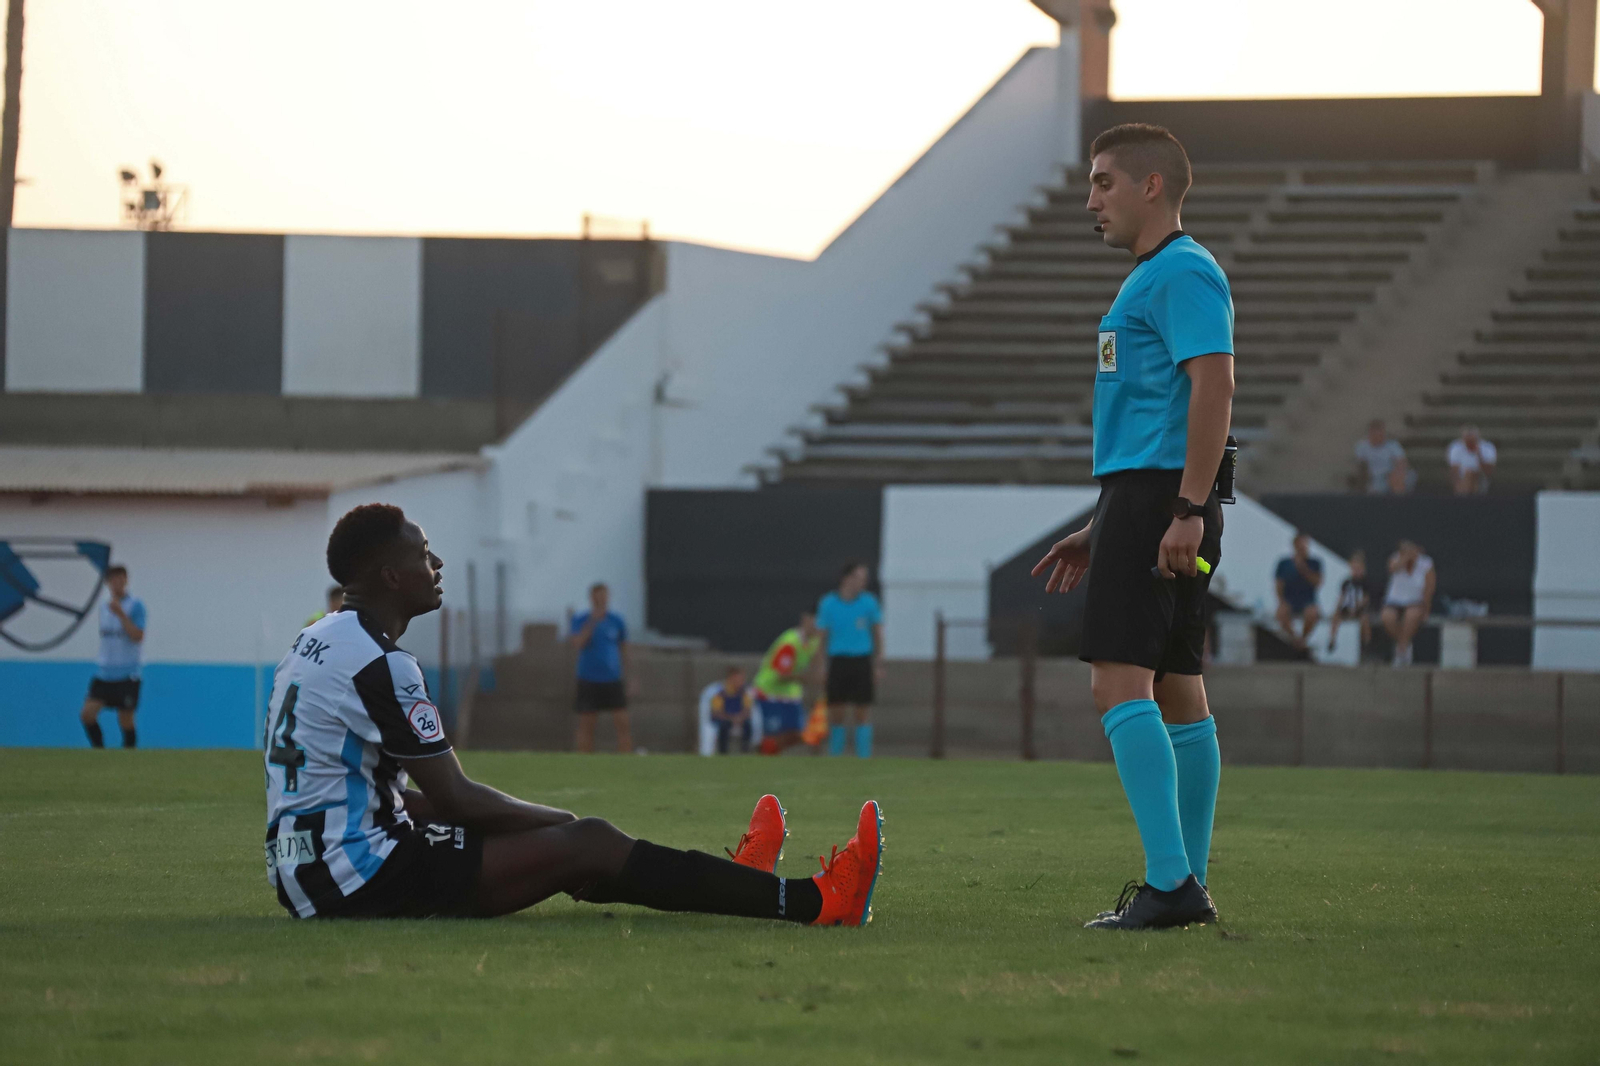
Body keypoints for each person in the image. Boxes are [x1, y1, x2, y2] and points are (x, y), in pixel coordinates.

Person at [262, 502, 882, 925]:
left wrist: (541, 837)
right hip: (358, 880)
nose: (438, 565)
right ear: (393, 577)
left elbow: (379, 792)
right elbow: (451, 798)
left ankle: (741, 882)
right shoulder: (380, 663)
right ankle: (818, 901)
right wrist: (558, 824)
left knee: (575, 847)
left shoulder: (313, 640)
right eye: (426, 555)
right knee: (587, 840)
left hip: (309, 873)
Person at [1031, 123, 1228, 930]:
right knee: (1180, 691)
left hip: (1164, 506)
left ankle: (1172, 884)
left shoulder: (1182, 271)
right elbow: (1158, 415)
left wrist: (1181, 509)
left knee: (1117, 682)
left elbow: (1214, 388)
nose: (1091, 201)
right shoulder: (1159, 276)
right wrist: (1101, 520)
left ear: (1153, 186)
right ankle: (1187, 883)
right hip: (1147, 502)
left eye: (1104, 182)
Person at [816, 563, 883, 758]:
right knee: (836, 710)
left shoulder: (869, 602)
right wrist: (822, 666)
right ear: (846, 578)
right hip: (838, 660)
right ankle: (835, 755)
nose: (862, 582)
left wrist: (878, 662)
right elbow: (822, 637)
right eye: (858, 577)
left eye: (864, 578)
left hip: (861, 659)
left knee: (862, 710)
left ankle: (864, 756)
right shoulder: (828, 603)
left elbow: (878, 633)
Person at [79, 564, 146, 749]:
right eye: (112, 579)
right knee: (87, 714)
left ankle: (129, 753)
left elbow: (137, 636)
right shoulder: (103, 607)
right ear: (108, 583)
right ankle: (99, 749)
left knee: (125, 719)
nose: (117, 583)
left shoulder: (135, 605)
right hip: (105, 673)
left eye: (120, 578)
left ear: (126, 580)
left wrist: (121, 615)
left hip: (127, 674)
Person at [569, 583, 633, 754]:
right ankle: (584, 758)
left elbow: (624, 649)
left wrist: (632, 677)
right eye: (597, 596)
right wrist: (593, 622)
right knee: (587, 723)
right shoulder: (581, 620)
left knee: (622, 722)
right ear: (591, 598)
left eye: (604, 596)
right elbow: (578, 643)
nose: (601, 600)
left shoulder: (616, 621)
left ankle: (626, 758)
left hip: (612, 678)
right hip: (589, 678)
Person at [753, 609, 822, 755]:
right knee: (776, 733)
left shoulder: (815, 641)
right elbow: (781, 675)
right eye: (815, 621)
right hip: (769, 692)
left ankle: (766, 750)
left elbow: (816, 663)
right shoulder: (790, 642)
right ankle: (765, 751)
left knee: (803, 734)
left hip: (790, 695)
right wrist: (809, 679)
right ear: (805, 619)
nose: (818, 626)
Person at [1382, 540, 1435, 667]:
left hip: (1415, 601)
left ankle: (1401, 650)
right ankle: (1404, 644)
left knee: (1411, 616)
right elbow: (1392, 569)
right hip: (1395, 600)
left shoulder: (1426, 563)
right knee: (1387, 617)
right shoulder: (1395, 559)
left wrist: (1427, 608)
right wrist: (1404, 560)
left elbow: (1429, 587)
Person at [1272, 533, 1323, 653]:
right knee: (1281, 614)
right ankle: (1294, 638)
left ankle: (1303, 639)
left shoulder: (1314, 563)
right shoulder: (1284, 563)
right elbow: (1279, 584)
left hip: (1307, 599)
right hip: (1289, 599)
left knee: (1312, 614)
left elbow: (1317, 582)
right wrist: (1281, 601)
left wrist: (1303, 569)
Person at [1326, 550, 1372, 656]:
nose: (1356, 571)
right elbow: (1341, 597)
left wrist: (1356, 607)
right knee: (1336, 617)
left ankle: (1367, 642)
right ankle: (1332, 639)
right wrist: (1337, 608)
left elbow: (1366, 598)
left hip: (1360, 609)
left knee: (1364, 620)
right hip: (1347, 607)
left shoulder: (1365, 582)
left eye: (1358, 569)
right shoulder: (1346, 582)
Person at [702, 666, 755, 755]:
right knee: (724, 726)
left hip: (739, 719)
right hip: (725, 719)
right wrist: (731, 718)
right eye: (737, 679)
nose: (740, 682)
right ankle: (723, 753)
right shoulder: (720, 693)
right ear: (730, 679)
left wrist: (740, 717)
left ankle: (745, 751)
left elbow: (747, 710)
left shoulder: (744, 693)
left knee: (748, 725)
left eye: (742, 679)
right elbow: (716, 711)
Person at [1353, 420, 1413, 495]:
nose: (1379, 435)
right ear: (1370, 433)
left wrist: (1394, 475)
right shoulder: (1362, 446)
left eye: (1381, 432)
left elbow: (1401, 463)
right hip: (1374, 478)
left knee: (1398, 478)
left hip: (1391, 475)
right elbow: (1361, 466)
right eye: (1375, 433)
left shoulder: (1393, 445)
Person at [1448, 425, 1497, 496]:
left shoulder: (1487, 448)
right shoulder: (1456, 448)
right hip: (1463, 479)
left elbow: (1489, 472)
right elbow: (1454, 471)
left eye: (1472, 441)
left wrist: (1478, 455)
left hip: (1481, 478)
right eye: (1467, 440)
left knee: (1472, 475)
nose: (1469, 443)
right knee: (1468, 475)